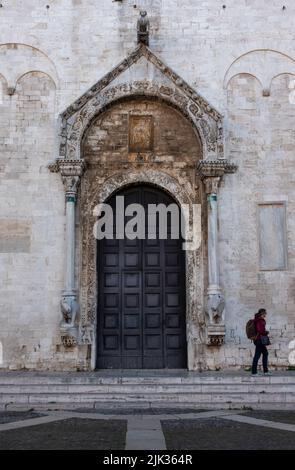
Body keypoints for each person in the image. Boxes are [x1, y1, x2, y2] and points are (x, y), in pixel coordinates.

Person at [251, 308, 271, 376]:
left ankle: (265, 371)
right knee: (257, 356)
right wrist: (266, 332)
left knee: (265, 353)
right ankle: (254, 372)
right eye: (265, 313)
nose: (266, 314)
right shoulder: (260, 320)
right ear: (262, 313)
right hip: (260, 340)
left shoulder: (257, 320)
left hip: (258, 340)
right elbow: (260, 330)